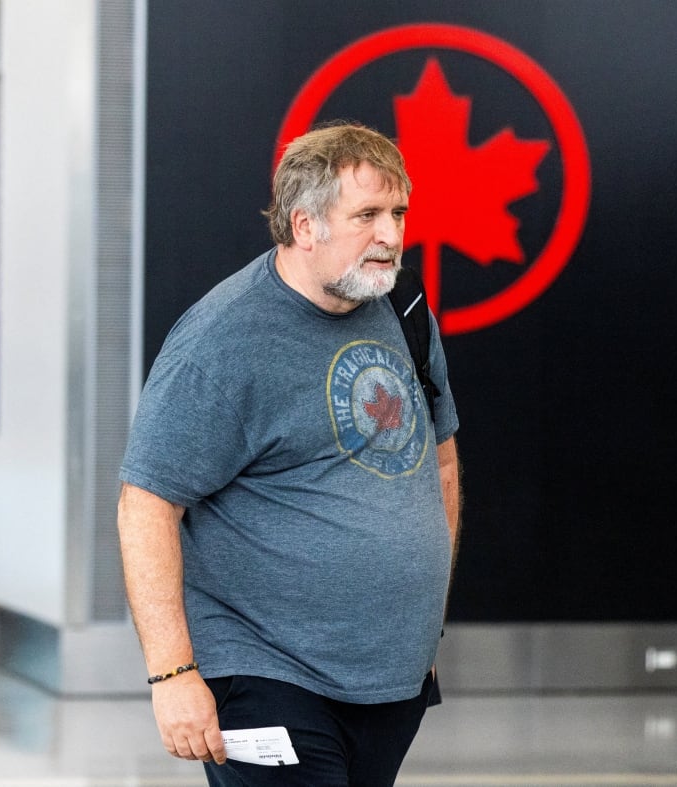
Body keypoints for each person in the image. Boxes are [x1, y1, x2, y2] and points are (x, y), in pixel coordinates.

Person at [117, 122, 461, 787]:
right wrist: (172, 672)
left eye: (398, 213)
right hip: (265, 670)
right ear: (305, 226)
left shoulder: (404, 309)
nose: (391, 234)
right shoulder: (221, 341)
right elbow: (146, 505)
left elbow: (438, 464)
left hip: (389, 680)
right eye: (366, 215)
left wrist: (423, 627)